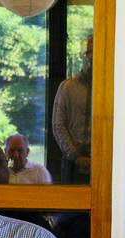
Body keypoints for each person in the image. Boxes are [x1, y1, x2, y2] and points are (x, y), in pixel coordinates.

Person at [53, 35, 93, 183]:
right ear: (83, 56)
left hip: (105, 162)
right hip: (71, 164)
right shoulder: (68, 87)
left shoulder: (113, 89)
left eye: (96, 52)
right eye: (89, 52)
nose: (92, 57)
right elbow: (58, 125)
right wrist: (76, 156)